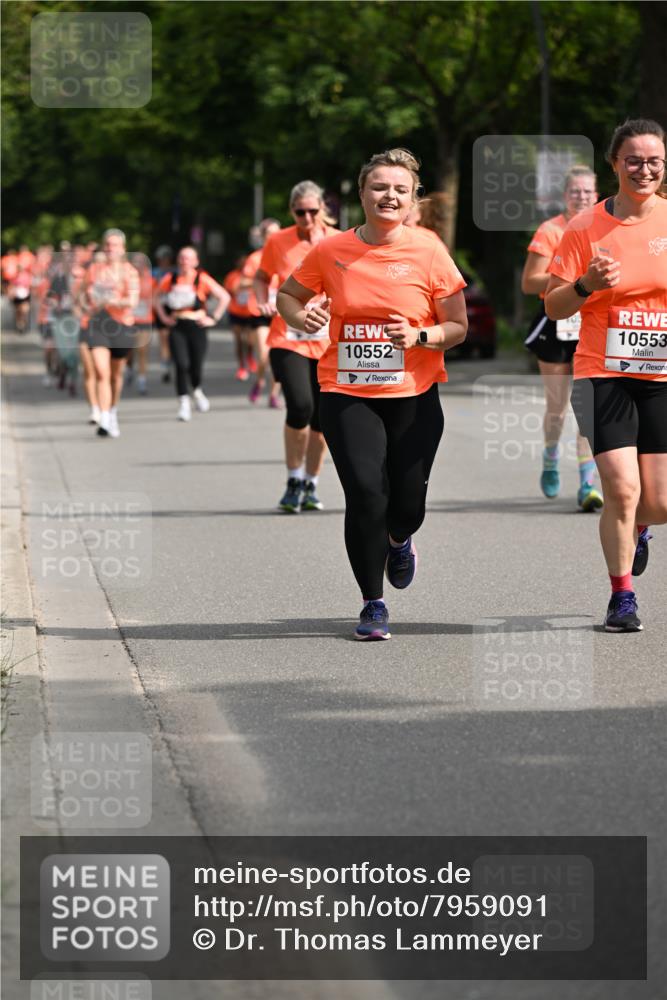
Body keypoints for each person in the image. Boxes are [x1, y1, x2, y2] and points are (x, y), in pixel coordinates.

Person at [278, 149, 467, 639]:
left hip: (414, 394)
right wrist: (303, 317)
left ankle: (400, 540)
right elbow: (288, 296)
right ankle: (372, 603)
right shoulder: (331, 250)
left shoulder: (429, 250)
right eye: (379, 187)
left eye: (400, 190)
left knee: (407, 506)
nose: (390, 196)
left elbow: (458, 326)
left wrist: (420, 336)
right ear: (361, 193)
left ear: (413, 198)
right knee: (365, 494)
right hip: (347, 391)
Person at [545, 118, 667, 633]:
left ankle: (641, 527)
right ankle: (622, 596)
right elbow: (553, 306)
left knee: (657, 502)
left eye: (654, 161)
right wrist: (585, 284)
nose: (644, 169)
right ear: (614, 163)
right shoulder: (584, 228)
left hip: (660, 375)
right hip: (602, 373)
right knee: (620, 488)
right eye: (633, 160)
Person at [523, 166, 604, 511]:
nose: (581, 197)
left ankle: (587, 483)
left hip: (591, 320)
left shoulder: (605, 227)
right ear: (565, 196)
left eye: (587, 192)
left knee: (586, 405)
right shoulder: (551, 230)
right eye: (575, 192)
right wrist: (574, 278)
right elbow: (529, 282)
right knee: (557, 407)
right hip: (556, 320)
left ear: (596, 195)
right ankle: (551, 457)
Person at [255, 182, 337, 512]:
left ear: (323, 209)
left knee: (322, 417)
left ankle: (311, 483)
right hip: (287, 337)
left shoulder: (340, 240)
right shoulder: (277, 240)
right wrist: (263, 300)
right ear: (291, 211)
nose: (307, 217)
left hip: (329, 340)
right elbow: (262, 277)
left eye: (313, 211)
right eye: (300, 212)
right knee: (300, 406)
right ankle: (293, 479)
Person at [154, 246, 230, 421]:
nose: (184, 261)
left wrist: (214, 318)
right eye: (181, 258)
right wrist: (164, 317)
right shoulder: (170, 278)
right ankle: (183, 402)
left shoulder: (201, 278)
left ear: (195, 262)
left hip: (197, 326)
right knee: (181, 364)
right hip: (177, 326)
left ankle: (196, 389)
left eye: (188, 258)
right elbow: (155, 297)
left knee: (196, 365)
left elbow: (224, 297)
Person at [80, 229, 140, 438]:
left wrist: (111, 300)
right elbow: (81, 294)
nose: (110, 249)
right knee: (101, 371)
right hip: (98, 324)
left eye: (115, 245)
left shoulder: (129, 271)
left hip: (121, 325)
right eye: (107, 245)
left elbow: (132, 301)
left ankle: (112, 411)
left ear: (123, 249)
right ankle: (104, 417)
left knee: (115, 376)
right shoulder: (94, 270)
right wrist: (87, 305)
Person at [244, 218, 282, 407]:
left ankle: (274, 394)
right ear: (263, 236)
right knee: (263, 356)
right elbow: (243, 282)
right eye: (269, 234)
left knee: (277, 356)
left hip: (281, 313)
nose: (274, 237)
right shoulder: (255, 258)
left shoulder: (287, 255)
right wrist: (259, 281)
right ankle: (260, 380)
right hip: (260, 312)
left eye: (277, 233)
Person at [223, 256, 256, 381]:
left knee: (249, 340)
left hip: (250, 312)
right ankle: (241, 366)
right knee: (239, 341)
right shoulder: (232, 276)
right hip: (235, 312)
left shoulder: (254, 276)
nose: (244, 266)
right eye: (241, 263)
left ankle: (250, 356)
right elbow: (229, 291)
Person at [152, 245, 174, 383]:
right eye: (161, 259)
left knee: (173, 337)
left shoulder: (175, 272)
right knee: (163, 337)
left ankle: (171, 359)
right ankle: (165, 365)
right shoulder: (154, 272)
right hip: (160, 307)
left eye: (166, 258)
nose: (163, 261)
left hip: (173, 307)